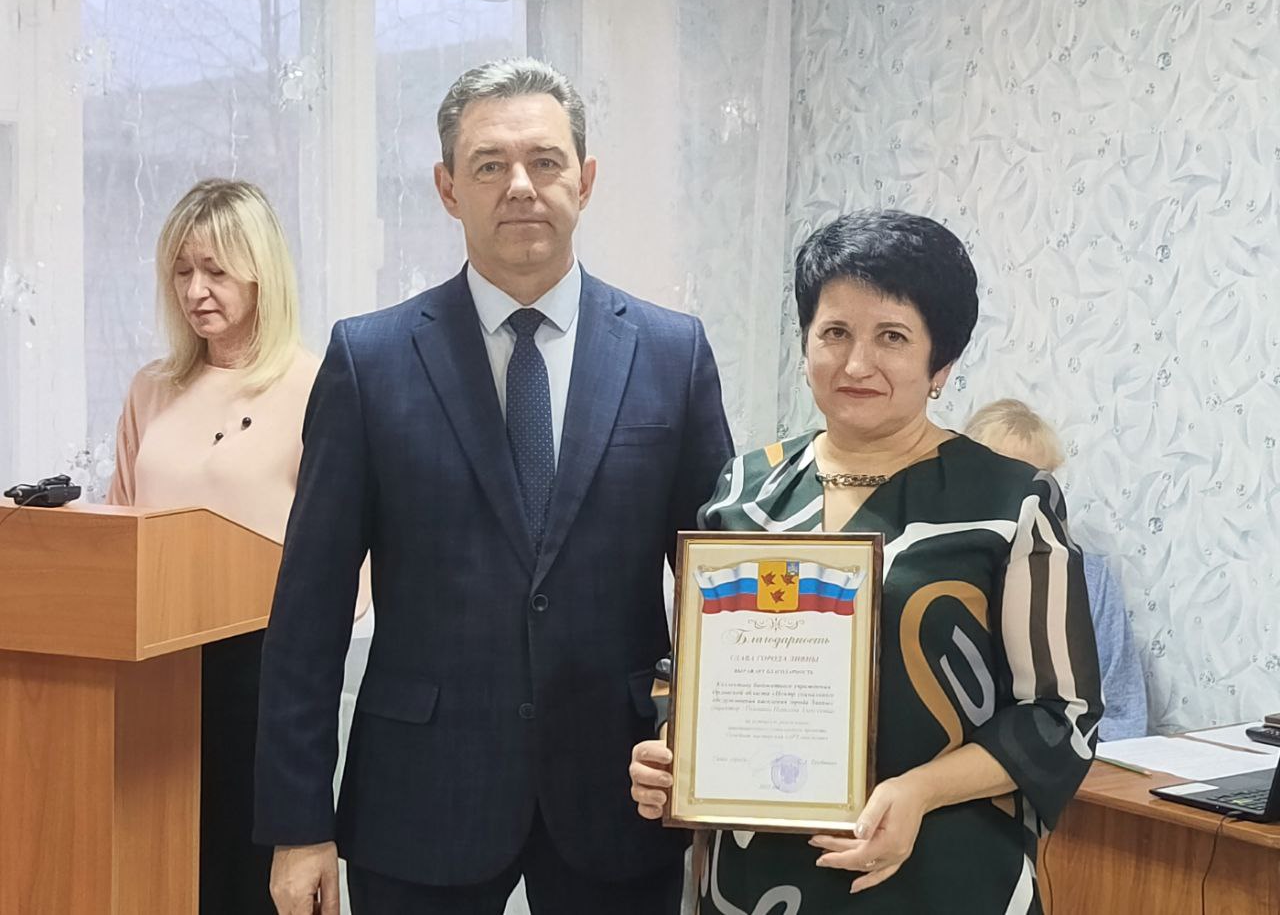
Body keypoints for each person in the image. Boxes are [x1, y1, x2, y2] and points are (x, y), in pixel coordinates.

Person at [254, 58, 735, 915]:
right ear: (448, 188)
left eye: (545, 161)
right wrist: (299, 826)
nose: (520, 185)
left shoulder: (671, 353)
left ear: (585, 180)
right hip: (420, 797)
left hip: (624, 792)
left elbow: (723, 591)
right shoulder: (370, 361)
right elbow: (308, 613)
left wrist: (722, 775)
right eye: (489, 165)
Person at [630, 210, 1103, 913]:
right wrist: (671, 751)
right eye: (835, 333)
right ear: (805, 343)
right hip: (753, 877)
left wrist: (919, 792)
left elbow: (1062, 715)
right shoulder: (746, 491)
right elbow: (693, 670)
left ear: (941, 364)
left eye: (892, 337)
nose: (856, 364)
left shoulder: (1010, 501)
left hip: (938, 870)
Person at [107, 178, 370, 914]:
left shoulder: (319, 385)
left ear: (261, 273)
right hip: (152, 674)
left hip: (262, 676)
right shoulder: (151, 389)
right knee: (159, 874)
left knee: (244, 880)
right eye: (182, 271)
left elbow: (352, 562)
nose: (196, 291)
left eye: (216, 270)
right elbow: (122, 526)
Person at [965, 398, 1147, 740]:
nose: (1028, 500)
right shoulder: (943, 574)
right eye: (1007, 481)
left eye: (1039, 483)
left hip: (1071, 759)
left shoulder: (1091, 579)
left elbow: (1123, 716)